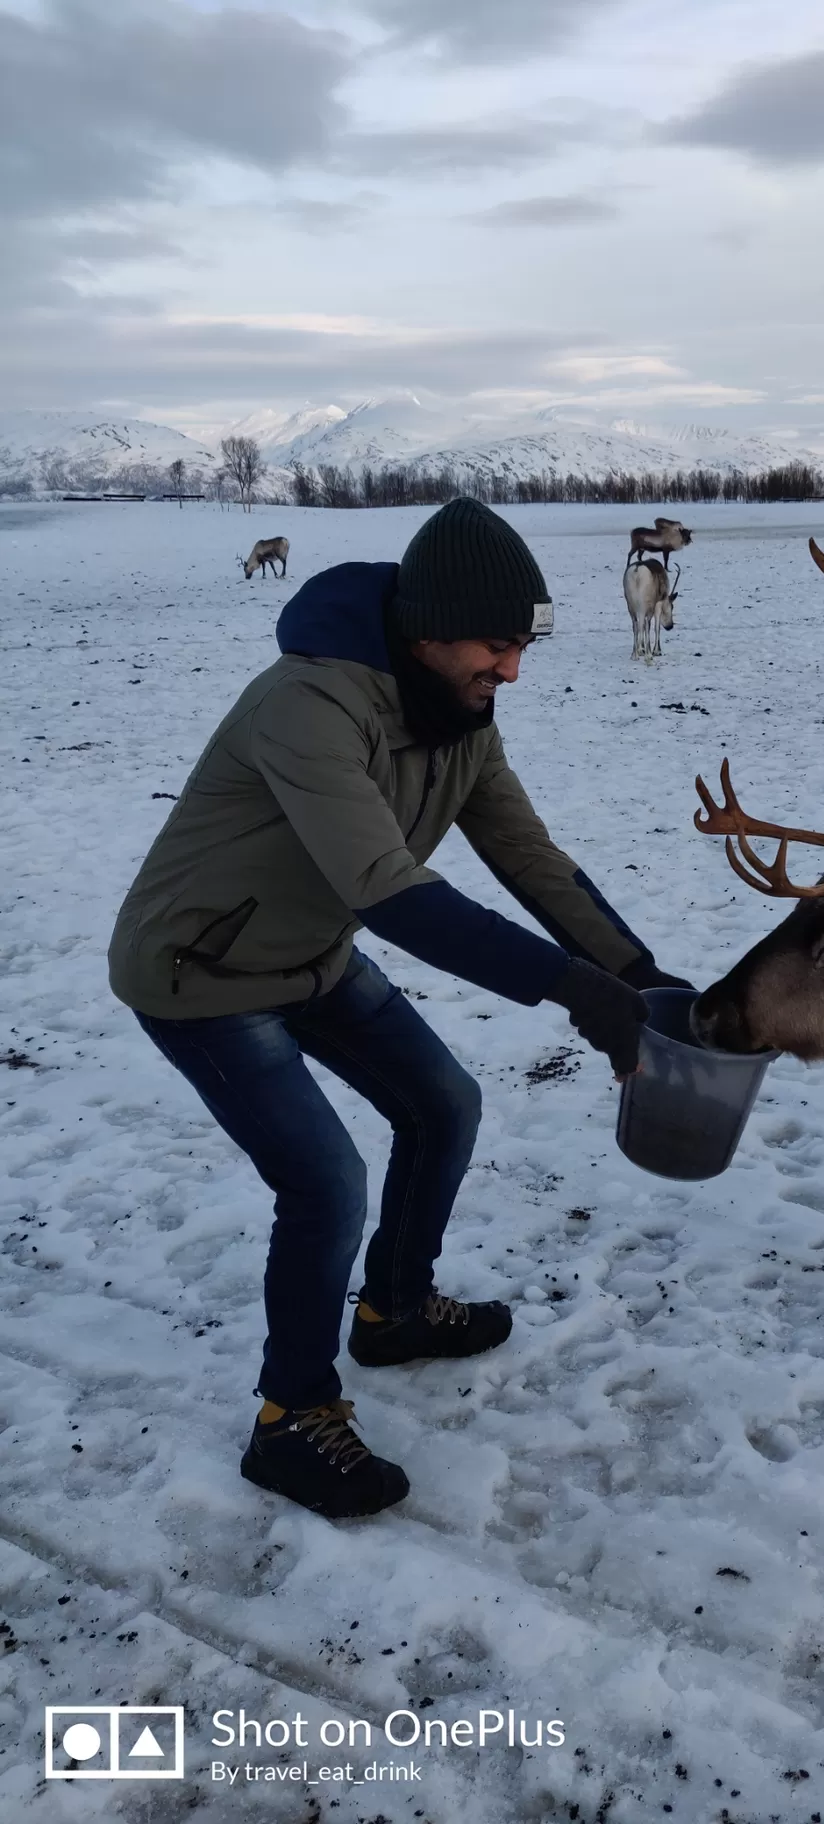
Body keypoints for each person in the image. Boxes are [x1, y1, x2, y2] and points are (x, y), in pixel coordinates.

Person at [109, 499, 690, 1519]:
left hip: (311, 955)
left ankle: (395, 1309)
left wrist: (638, 975)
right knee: (326, 1182)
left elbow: (528, 858)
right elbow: (390, 889)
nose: (513, 671)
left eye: (524, 647)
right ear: (429, 635)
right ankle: (291, 1417)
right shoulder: (309, 707)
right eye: (498, 646)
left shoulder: (459, 715)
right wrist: (571, 990)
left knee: (444, 1104)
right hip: (199, 972)